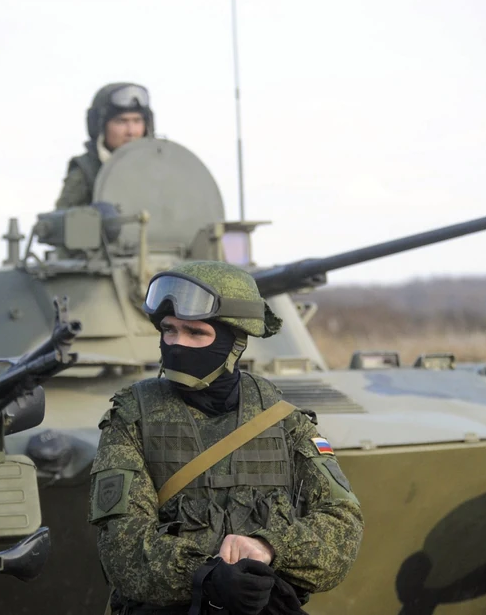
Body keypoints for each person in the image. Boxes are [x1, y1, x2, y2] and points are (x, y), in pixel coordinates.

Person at [88, 260, 364, 615]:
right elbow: (121, 547)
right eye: (169, 330)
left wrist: (269, 548)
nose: (176, 344)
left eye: (195, 333)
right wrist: (206, 577)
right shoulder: (132, 418)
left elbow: (342, 524)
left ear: (234, 341)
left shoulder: (282, 419)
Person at [55, 82, 154, 209]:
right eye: (121, 121)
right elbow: (61, 218)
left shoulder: (162, 166)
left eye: (137, 121)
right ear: (101, 126)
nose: (131, 131)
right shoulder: (87, 171)